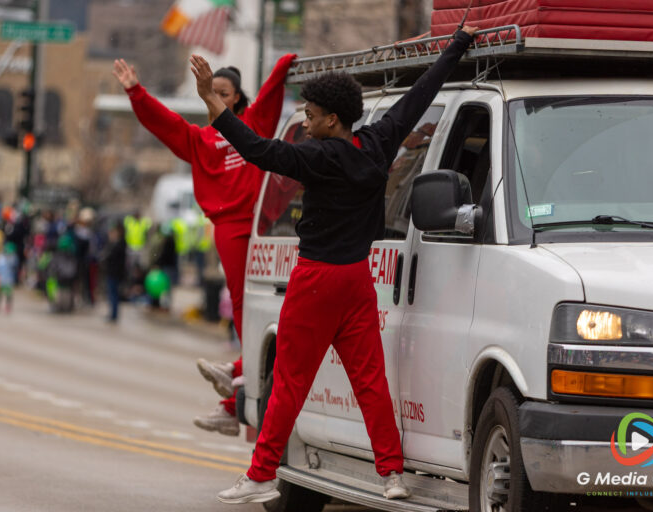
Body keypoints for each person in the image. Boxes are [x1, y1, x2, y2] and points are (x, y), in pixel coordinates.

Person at [190, 25, 479, 503]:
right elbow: (422, 91)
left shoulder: (316, 158)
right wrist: (458, 46)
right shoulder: (379, 142)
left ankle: (261, 474)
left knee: (288, 382)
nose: (304, 121)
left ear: (331, 120)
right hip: (358, 281)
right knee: (370, 382)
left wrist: (213, 104)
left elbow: (256, 149)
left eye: (310, 114)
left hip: (317, 280)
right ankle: (392, 475)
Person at [113, 51, 296, 436]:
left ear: (238, 99)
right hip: (230, 228)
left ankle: (235, 381)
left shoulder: (254, 122)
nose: (216, 96)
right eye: (211, 91)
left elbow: (273, 91)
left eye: (224, 92)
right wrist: (135, 91)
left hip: (265, 227)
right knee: (249, 311)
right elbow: (164, 123)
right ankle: (236, 393)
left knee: (266, 315)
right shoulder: (199, 140)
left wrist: (287, 60)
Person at [100, 223, 126, 322]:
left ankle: (113, 315)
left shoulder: (118, 245)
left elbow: (110, 257)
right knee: (111, 294)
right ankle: (112, 314)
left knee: (113, 294)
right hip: (112, 272)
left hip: (114, 273)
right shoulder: (116, 244)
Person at [0, 241, 18, 313]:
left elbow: (15, 268)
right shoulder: (0, 257)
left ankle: (8, 305)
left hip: (9, 279)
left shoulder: (13, 258)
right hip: (0, 279)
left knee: (8, 293)